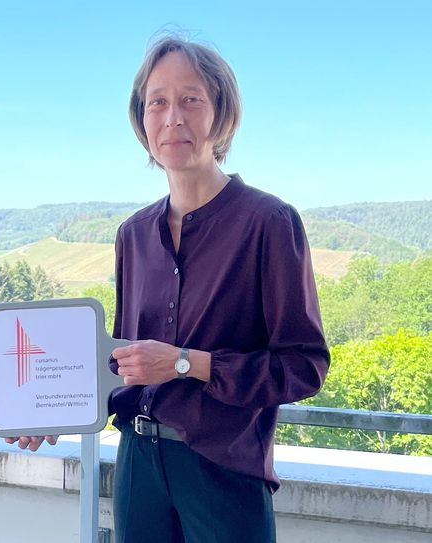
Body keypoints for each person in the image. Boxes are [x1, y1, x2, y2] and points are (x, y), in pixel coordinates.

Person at [106, 35, 330, 542]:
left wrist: (186, 362)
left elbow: (304, 366)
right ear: (141, 120)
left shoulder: (269, 223)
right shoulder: (133, 235)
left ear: (221, 113)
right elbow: (122, 361)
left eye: (191, 99)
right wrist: (49, 409)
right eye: (157, 101)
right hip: (137, 465)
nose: (173, 117)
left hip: (223, 470)